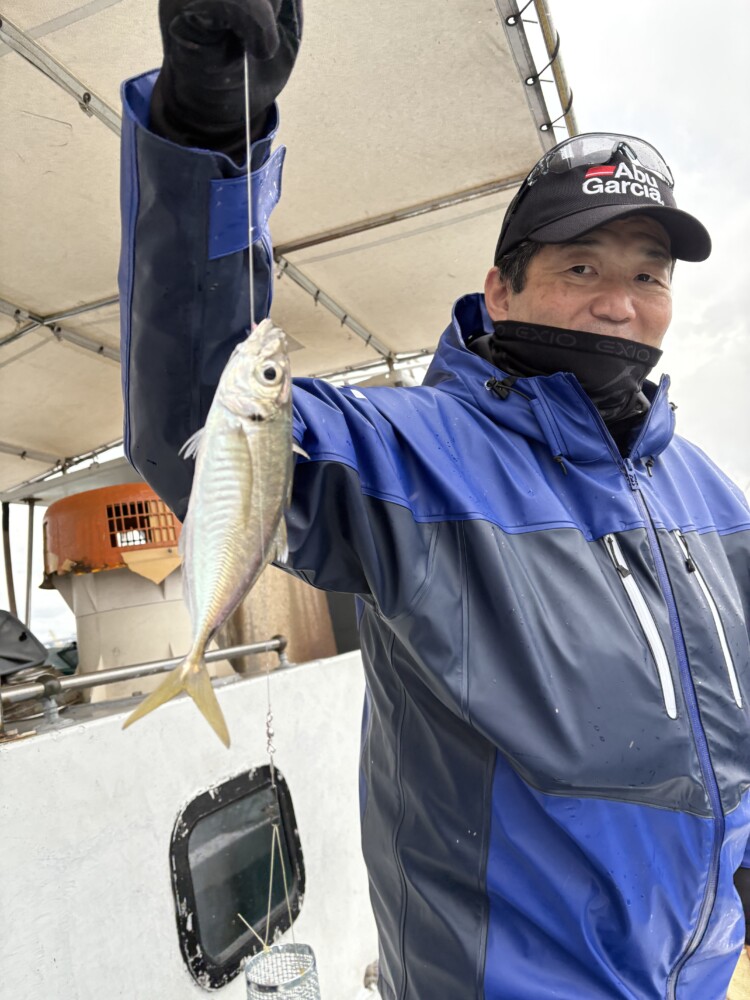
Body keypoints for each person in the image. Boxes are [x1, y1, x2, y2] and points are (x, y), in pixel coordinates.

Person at [119, 2, 750, 997]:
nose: (620, 302)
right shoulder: (409, 452)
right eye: (581, 267)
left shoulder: (711, 492)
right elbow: (199, 415)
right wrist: (206, 135)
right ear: (499, 289)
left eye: (648, 274)